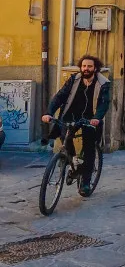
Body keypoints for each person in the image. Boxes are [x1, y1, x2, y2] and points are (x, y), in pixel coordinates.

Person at [42, 55, 110, 196]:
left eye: (89, 66)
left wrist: (97, 118)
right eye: (84, 66)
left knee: (89, 147)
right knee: (65, 136)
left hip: (90, 119)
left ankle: (85, 182)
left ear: (95, 68)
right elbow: (59, 96)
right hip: (71, 116)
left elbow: (104, 103)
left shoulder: (103, 83)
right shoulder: (74, 80)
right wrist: (49, 112)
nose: (86, 69)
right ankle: (74, 162)